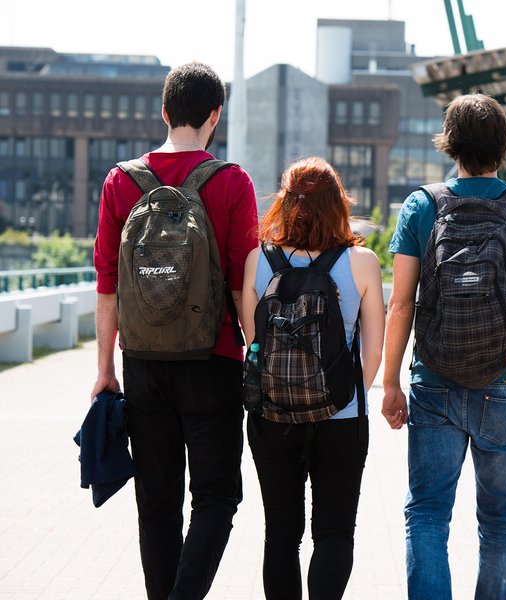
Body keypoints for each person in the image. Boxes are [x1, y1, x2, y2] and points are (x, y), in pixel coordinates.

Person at [381, 93, 506, 600]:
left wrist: (390, 382)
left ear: (450, 144)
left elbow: (401, 303)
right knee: (501, 522)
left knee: (427, 513)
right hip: (505, 384)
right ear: (504, 145)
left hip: (433, 381)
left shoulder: (422, 205)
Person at [91, 62, 258, 599]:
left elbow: (107, 284)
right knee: (216, 498)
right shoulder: (231, 182)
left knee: (157, 503)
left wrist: (105, 369)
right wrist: (256, 355)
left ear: (165, 112)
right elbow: (244, 284)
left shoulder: (121, 181)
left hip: (143, 362)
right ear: (216, 116)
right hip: (215, 358)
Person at [241, 157, 385, 600]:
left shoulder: (257, 260)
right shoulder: (362, 262)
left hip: (272, 414)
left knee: (281, 534)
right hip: (341, 416)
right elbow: (373, 353)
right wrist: (339, 395)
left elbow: (254, 340)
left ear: (284, 203)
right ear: (338, 204)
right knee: (334, 531)